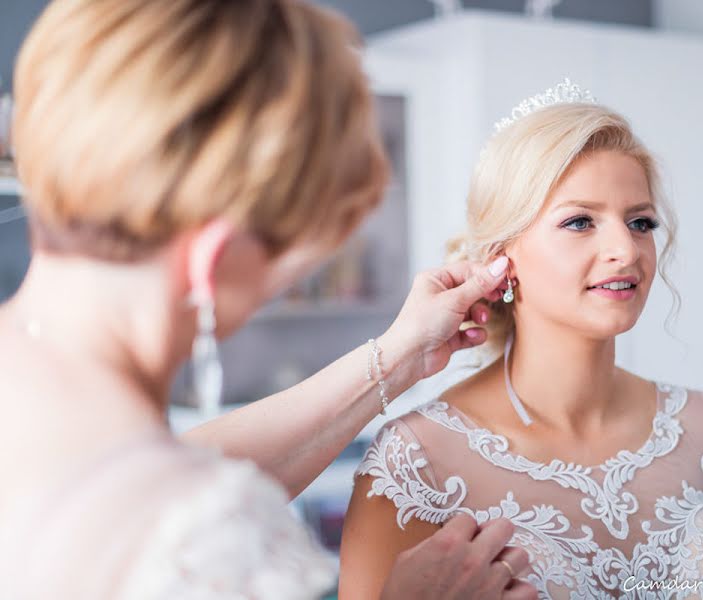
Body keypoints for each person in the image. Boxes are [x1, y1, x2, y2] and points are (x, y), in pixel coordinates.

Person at [0, 0, 538, 598]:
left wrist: (399, 356)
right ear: (216, 259)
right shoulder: (206, 540)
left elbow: (176, 464)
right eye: (289, 267)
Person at [340, 80, 703, 598]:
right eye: (580, 221)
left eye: (640, 221)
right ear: (499, 257)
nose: (626, 249)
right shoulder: (416, 462)